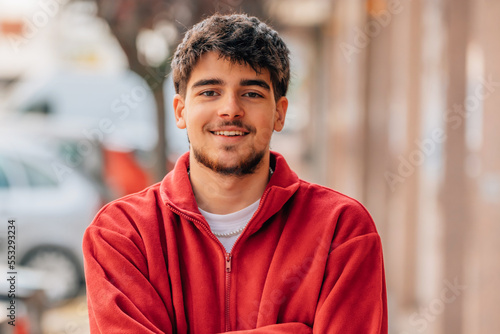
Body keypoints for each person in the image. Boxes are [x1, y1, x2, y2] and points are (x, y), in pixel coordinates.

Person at [83, 13, 388, 334]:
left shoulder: (342, 229)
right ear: (181, 111)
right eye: (209, 92)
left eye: (252, 93)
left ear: (279, 113)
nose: (230, 109)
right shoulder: (121, 234)